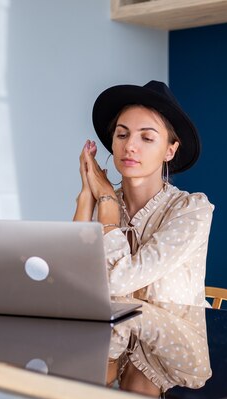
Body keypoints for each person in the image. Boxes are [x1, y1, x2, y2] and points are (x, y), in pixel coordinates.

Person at [73, 80, 214, 308]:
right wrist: (86, 197)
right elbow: (71, 283)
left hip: (173, 339)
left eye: (146, 138)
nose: (129, 146)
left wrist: (107, 205)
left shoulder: (192, 210)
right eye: (122, 135)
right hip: (112, 340)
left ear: (170, 150)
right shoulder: (101, 202)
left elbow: (120, 281)